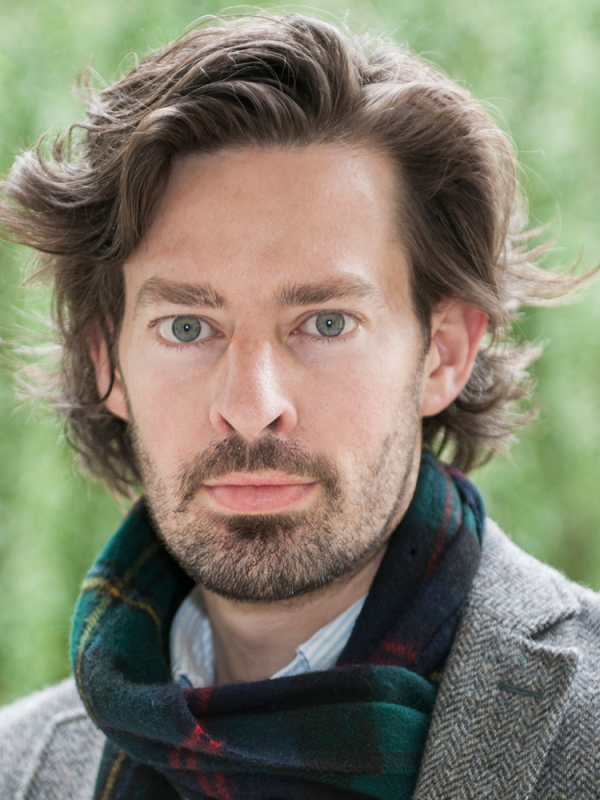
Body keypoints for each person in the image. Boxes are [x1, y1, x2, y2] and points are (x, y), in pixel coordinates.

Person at [0, 12, 597, 800]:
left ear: (444, 352)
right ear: (107, 359)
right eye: (187, 327)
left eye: (324, 323)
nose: (252, 408)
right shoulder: (17, 767)